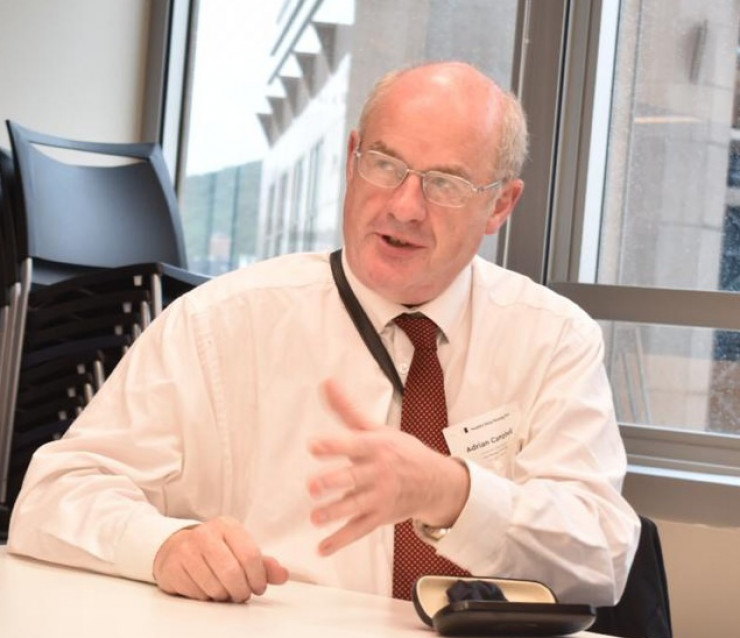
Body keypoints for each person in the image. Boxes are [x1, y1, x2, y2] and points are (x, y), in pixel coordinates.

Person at [8, 61, 640, 608]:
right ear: (352, 158)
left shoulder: (553, 338)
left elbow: (602, 557)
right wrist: (164, 546)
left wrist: (452, 493)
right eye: (386, 165)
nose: (404, 206)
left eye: (444, 184)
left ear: (500, 205)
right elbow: (54, 496)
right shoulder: (223, 322)